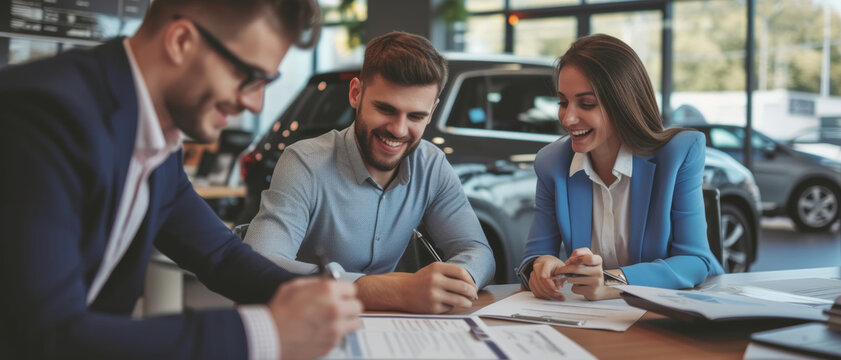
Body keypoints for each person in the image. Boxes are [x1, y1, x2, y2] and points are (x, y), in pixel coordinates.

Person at [0, 1, 363, 359]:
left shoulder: (158, 137)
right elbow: (48, 333)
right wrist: (266, 332)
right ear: (180, 42)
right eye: (250, 77)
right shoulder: (45, 117)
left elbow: (220, 255)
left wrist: (309, 297)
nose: (256, 104)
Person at [244, 31, 495, 314]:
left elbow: (478, 253)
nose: (399, 130)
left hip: (396, 331)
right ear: (356, 94)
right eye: (385, 109)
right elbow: (260, 264)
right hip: (310, 325)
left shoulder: (432, 165)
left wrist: (452, 282)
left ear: (432, 112)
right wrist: (384, 290)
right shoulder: (304, 163)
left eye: (415, 116)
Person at [517, 34, 724, 301]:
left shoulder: (678, 153)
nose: (567, 118)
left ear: (624, 103)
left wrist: (611, 280)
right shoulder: (552, 163)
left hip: (677, 313)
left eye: (587, 103)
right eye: (563, 102)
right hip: (598, 321)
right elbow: (530, 260)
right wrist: (540, 266)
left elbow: (695, 261)